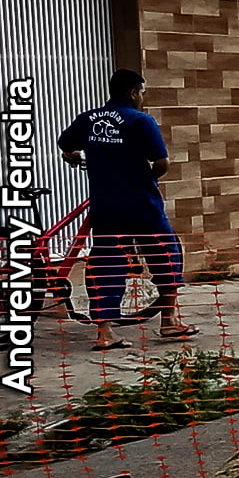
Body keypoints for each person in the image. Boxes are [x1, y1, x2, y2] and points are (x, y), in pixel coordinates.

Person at [58, 70, 196, 349]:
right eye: (142, 92)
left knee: (106, 264)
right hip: (142, 204)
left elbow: (65, 143)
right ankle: (168, 322)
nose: (143, 97)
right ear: (134, 92)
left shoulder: (88, 119)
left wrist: (73, 155)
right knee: (165, 256)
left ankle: (104, 333)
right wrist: (145, 178)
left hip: (106, 206)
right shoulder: (141, 120)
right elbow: (162, 163)